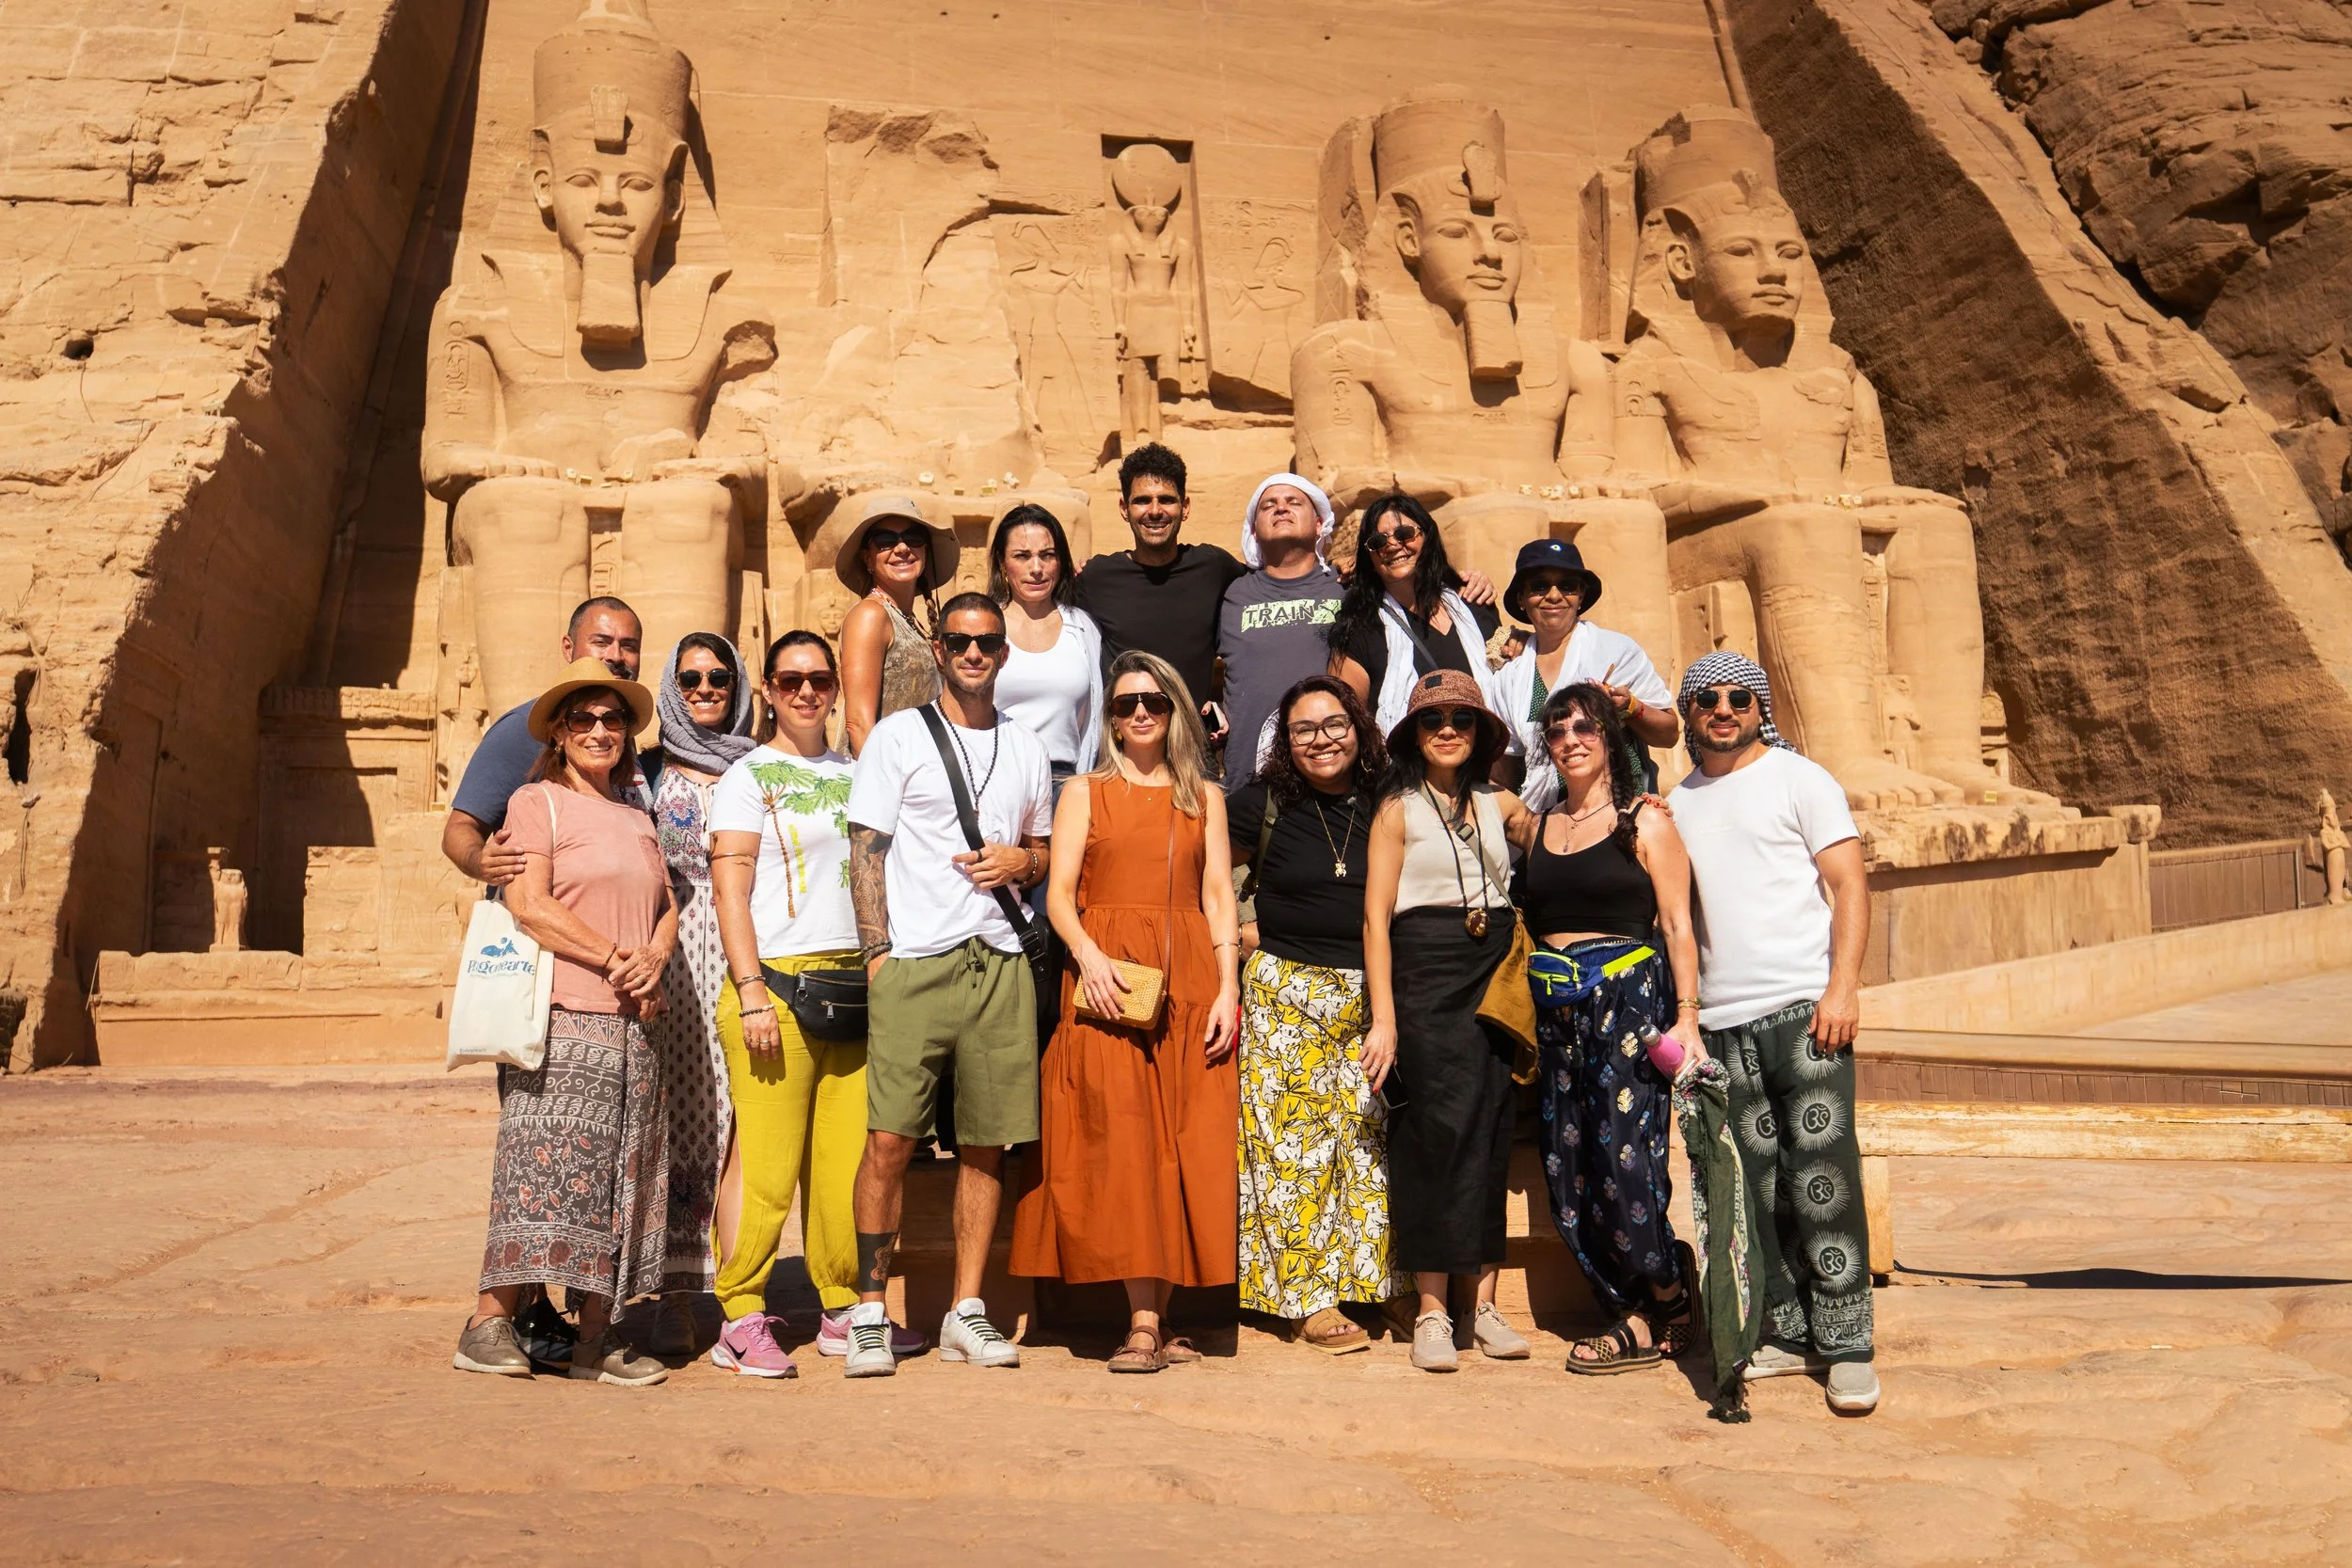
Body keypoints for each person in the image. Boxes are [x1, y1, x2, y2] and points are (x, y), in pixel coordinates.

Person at [842, 594, 1056, 1377]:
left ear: (1003, 652)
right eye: (960, 641)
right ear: (938, 648)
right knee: (889, 1140)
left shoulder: (1026, 747)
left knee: (985, 1143)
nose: (973, 653)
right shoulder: (898, 737)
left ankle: (966, 1308)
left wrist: (1021, 864)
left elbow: (1039, 849)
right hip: (917, 960)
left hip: (998, 958)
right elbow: (867, 847)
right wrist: (877, 957)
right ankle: (871, 1309)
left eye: (987, 642)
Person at [1012, 653, 1242, 1373]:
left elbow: (1218, 895)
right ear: (1109, 717)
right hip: (1109, 982)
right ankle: (1143, 1319)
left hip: (1192, 978)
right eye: (1123, 703)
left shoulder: (1205, 794)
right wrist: (1089, 956)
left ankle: (1160, 1314)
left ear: (1175, 708)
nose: (1138, 712)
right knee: (1125, 1141)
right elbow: (1060, 892)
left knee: (1183, 1139)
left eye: (1152, 700)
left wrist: (1229, 986)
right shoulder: (1084, 790)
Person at [704, 632, 925, 1377]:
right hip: (775, 986)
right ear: (767, 689)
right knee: (766, 1168)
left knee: (844, 1169)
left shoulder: (860, 771)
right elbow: (730, 889)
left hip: (854, 986)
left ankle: (839, 1307)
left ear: (836, 687)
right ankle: (738, 1312)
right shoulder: (747, 776)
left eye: (819, 679)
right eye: (790, 680)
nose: (806, 692)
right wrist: (751, 991)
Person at [453, 659, 676, 1386]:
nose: (600, 730)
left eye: (613, 719)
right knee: (540, 1172)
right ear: (558, 731)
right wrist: (618, 956)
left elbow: (668, 905)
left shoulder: (638, 815)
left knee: (617, 1178)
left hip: (634, 1023)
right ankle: (488, 1321)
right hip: (561, 1015)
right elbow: (530, 905)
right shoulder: (533, 803)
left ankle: (596, 1340)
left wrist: (655, 957)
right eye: (583, 719)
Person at [1667, 650, 1878, 1415]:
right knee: (1756, 1188)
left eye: (1738, 697)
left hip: (1804, 1009)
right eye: (1707, 699)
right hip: (1723, 1022)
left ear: (1759, 707)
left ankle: (1849, 1343)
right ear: (1688, 713)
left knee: (1821, 1178)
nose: (1723, 710)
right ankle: (1790, 1332)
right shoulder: (1678, 803)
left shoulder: (1801, 779)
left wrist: (1843, 985)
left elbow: (1849, 881)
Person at [1520, 682, 1706, 1374]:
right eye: (1558, 729)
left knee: (1629, 1163)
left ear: (1609, 739)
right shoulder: (1537, 825)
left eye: (1584, 728)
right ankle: (1631, 1304)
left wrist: (1687, 1017)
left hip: (1628, 1005)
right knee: (1569, 1173)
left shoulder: (1644, 821)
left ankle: (1664, 1293)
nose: (1570, 739)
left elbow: (1680, 926)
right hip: (1558, 1011)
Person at [1360, 670, 1536, 1372]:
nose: (1448, 731)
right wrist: (1385, 1017)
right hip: (1423, 970)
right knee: (1433, 1131)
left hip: (1491, 967)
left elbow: (1559, 837)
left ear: (1479, 732)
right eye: (1434, 721)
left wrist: (1635, 814)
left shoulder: (1501, 800)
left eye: (1462, 720)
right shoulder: (1397, 808)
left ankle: (1481, 1304)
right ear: (1414, 734)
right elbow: (1375, 917)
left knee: (1492, 1126)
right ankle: (1432, 1308)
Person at [1229, 674, 1406, 1354]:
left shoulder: (1387, 800)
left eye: (1334, 724)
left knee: (1366, 1148)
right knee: (1291, 1151)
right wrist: (1242, 930)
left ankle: (1372, 1282)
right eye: (1303, 730)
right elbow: (1201, 868)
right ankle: (1307, 1296)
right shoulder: (1264, 804)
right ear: (1285, 742)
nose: (1321, 740)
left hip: (1373, 993)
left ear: (1358, 727)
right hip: (1287, 993)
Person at [642, 633, 758, 1351]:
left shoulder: (762, 767)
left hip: (748, 966)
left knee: (744, 1126)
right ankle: (677, 1289)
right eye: (691, 678)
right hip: (675, 968)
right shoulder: (647, 770)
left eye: (720, 677)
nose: (707, 688)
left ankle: (741, 1290)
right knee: (684, 1126)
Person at [441, 595, 648, 890]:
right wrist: (479, 861)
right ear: (568, 647)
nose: (615, 655)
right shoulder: (522, 728)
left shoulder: (621, 731)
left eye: (629, 646)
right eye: (601, 642)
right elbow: (460, 827)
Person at [1073, 442, 1243, 752]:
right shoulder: (1096, 577)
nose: (1154, 511)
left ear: (1185, 507)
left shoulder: (1214, 567)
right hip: (1124, 756)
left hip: (1193, 756)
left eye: (1166, 500)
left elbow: (1273, 586)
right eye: (1142, 501)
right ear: (1125, 509)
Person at [1489, 538, 1677, 809]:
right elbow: (1506, 764)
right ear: (1521, 598)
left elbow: (1669, 734)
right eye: (1539, 586)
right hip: (1546, 823)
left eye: (1567, 586)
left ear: (1580, 596)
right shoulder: (1509, 675)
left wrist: (1630, 708)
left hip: (1620, 813)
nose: (1554, 595)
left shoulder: (1616, 651)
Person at [1327, 494, 1502, 736]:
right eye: (1378, 541)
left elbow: (1510, 681)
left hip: (1485, 767)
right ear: (1370, 556)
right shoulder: (1360, 629)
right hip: (1403, 771)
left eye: (1404, 534)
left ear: (1427, 536)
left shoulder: (1476, 606)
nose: (1392, 546)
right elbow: (1343, 721)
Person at [1217, 474, 1345, 787]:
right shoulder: (1228, 594)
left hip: (1331, 775)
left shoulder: (1347, 590)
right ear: (1253, 531)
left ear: (1319, 524)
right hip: (1250, 783)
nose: (1281, 509)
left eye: (1294, 502)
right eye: (1268, 505)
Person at [991, 501, 1104, 790]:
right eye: (1022, 556)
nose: (1037, 568)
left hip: (1066, 786)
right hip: (994, 781)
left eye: (1047, 555)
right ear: (1003, 564)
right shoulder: (985, 628)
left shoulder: (1083, 629)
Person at [837, 492, 958, 755]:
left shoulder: (910, 621)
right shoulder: (871, 615)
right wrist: (880, 790)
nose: (902, 548)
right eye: (885, 541)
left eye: (914, 538)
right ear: (867, 558)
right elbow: (858, 723)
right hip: (886, 780)